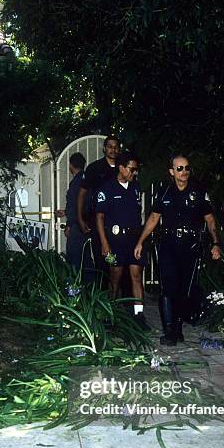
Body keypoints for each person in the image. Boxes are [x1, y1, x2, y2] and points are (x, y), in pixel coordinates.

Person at [134, 153, 221, 345]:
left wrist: (216, 243)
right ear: (172, 172)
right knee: (167, 289)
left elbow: (210, 219)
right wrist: (141, 241)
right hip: (168, 245)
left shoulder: (198, 191)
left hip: (190, 246)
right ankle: (169, 331)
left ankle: (179, 328)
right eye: (179, 168)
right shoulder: (164, 191)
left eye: (187, 168)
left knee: (185, 291)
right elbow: (154, 218)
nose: (184, 172)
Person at [95, 151, 150, 329]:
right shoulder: (106, 188)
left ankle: (139, 316)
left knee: (136, 276)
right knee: (115, 277)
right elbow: (100, 217)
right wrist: (105, 243)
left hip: (134, 240)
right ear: (121, 167)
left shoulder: (135, 187)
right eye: (131, 169)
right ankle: (111, 314)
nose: (134, 173)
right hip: (115, 241)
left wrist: (140, 240)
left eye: (136, 170)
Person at [77, 135, 121, 278]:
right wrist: (80, 219)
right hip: (98, 222)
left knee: (119, 265)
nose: (113, 150)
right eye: (110, 146)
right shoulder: (94, 168)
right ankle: (101, 298)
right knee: (102, 264)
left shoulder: (125, 168)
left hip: (120, 224)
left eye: (115, 147)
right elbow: (82, 193)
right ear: (104, 149)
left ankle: (119, 298)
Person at [55, 152, 94, 274]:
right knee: (86, 258)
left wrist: (69, 225)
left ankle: (75, 288)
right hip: (86, 224)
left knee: (74, 260)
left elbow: (75, 205)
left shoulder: (77, 182)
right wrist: (65, 212)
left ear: (71, 165)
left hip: (77, 226)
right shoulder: (87, 180)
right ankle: (92, 288)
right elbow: (83, 205)